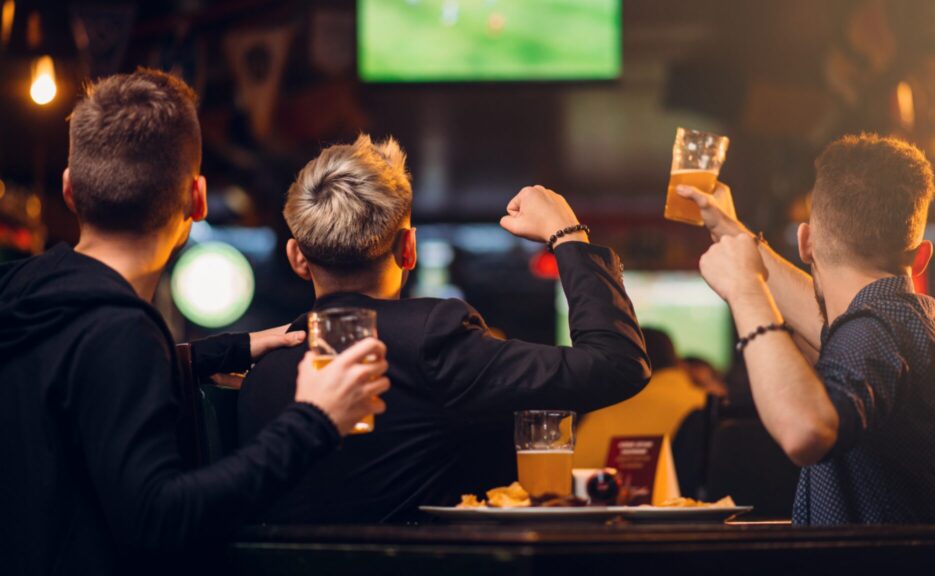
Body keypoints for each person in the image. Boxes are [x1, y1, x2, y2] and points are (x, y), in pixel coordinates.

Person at [0, 69, 390, 576]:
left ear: (70, 190)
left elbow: (71, 380)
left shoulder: (25, 292)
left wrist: (224, 350)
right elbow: (161, 518)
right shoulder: (119, 332)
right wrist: (314, 419)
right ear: (198, 199)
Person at [238, 136, 651, 523]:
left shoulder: (261, 371)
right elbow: (617, 363)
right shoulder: (433, 338)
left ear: (297, 257)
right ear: (409, 248)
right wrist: (568, 235)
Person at [678, 133, 935, 543]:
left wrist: (745, 290)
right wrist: (730, 230)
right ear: (921, 258)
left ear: (805, 242)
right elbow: (837, 326)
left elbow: (804, 431)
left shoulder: (874, 330)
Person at [574, 327, 706, 468]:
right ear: (676, 361)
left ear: (626, 361)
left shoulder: (608, 408)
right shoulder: (704, 402)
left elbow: (575, 467)